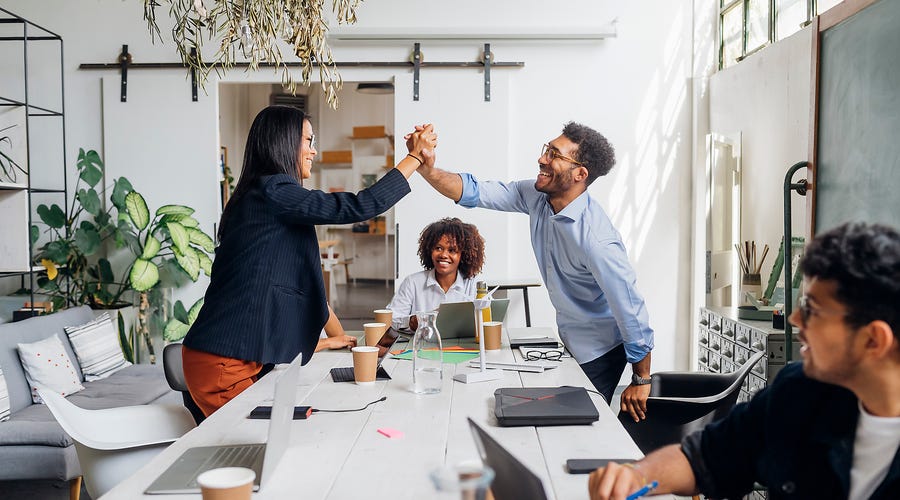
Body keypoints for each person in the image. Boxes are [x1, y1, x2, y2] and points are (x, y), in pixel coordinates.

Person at [588, 222, 900, 500]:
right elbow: (704, 459)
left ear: (873, 340)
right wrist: (636, 476)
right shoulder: (800, 391)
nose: (794, 319)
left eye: (812, 310)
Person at [182, 106, 436, 416]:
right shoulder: (273, 191)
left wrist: (339, 339)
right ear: (283, 142)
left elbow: (297, 284)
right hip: (224, 362)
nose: (314, 151)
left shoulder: (266, 199)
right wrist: (415, 158)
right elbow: (360, 206)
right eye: (308, 140)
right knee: (259, 443)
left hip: (236, 356)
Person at [412, 122, 654, 420]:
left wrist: (641, 379)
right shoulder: (538, 197)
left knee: (578, 426)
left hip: (600, 350)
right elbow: (476, 191)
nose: (542, 159)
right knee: (559, 418)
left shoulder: (596, 240)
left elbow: (629, 306)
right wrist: (428, 170)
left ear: (580, 174)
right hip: (569, 338)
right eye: (546, 149)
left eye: (554, 154)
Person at [386, 217, 486, 331]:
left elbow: (489, 318)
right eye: (438, 248)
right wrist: (410, 321)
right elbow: (391, 320)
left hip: (464, 346)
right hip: (421, 345)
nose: (443, 255)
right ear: (429, 250)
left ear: (463, 255)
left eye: (452, 250)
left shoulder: (473, 283)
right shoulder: (412, 282)